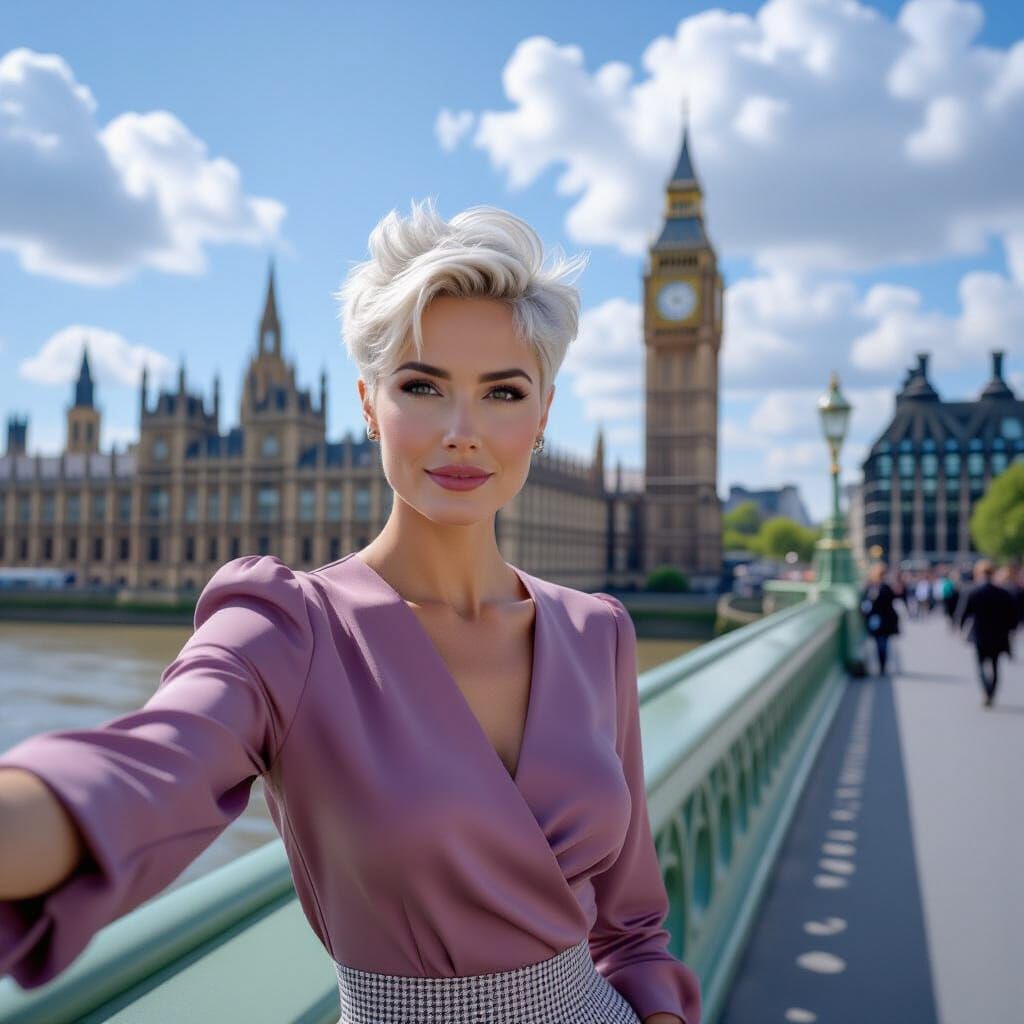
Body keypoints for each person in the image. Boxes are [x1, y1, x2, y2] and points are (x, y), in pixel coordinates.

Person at [0, 200, 700, 1024]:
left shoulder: (597, 634)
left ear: (543, 415)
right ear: (368, 404)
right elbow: (146, 774)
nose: (462, 431)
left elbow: (632, 926)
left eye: (502, 392)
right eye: (422, 386)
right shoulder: (284, 627)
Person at [954, 559, 1018, 708]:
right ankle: (992, 692)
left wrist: (960, 628)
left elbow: (963, 613)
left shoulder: (973, 591)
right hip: (998, 634)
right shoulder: (1002, 592)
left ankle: (986, 691)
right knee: (995, 665)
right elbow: (1011, 616)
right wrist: (1010, 630)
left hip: (979, 634)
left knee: (980, 664)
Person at [859, 561, 901, 675]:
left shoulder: (880, 587)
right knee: (881, 644)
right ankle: (882, 666)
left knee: (881, 644)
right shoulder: (874, 587)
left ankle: (882, 666)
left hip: (881, 620)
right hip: (881, 620)